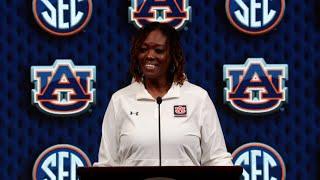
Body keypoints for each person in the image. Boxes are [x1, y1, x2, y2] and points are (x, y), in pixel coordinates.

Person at [95, 22, 233, 166]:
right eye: (143, 49)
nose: (149, 55)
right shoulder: (120, 100)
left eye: (159, 50)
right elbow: (107, 165)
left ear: (173, 55)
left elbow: (217, 160)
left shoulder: (198, 98)